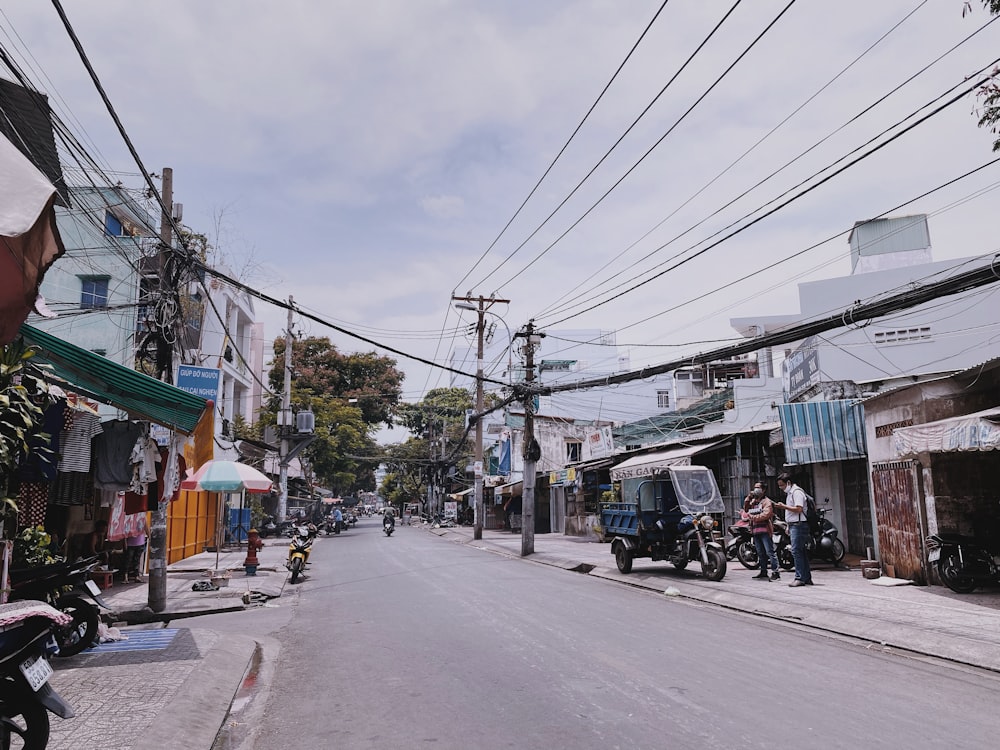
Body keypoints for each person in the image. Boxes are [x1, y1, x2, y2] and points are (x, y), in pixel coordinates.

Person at [774, 472, 813, 587]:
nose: (781, 488)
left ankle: (799, 577)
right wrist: (788, 526)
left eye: (782, 485)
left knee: (796, 551)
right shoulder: (791, 493)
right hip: (794, 525)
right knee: (800, 551)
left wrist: (783, 507)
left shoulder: (797, 492)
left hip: (799, 525)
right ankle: (806, 577)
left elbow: (799, 509)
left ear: (789, 483)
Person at [745, 483, 780, 581]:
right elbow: (746, 509)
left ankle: (775, 572)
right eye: (755, 487)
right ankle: (763, 571)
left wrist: (751, 517)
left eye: (758, 488)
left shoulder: (766, 502)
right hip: (756, 531)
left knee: (770, 552)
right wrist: (748, 498)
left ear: (763, 490)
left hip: (765, 530)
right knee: (760, 552)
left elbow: (766, 515)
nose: (755, 489)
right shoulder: (753, 501)